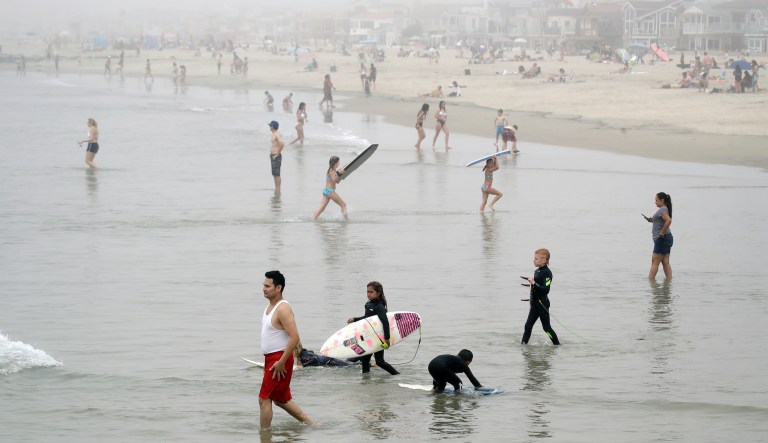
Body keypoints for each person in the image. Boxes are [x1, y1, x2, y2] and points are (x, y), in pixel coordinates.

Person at [259, 270, 316, 429]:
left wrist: (282, 361)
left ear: (278, 288)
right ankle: (313, 425)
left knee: (264, 398)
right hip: (272, 358)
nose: (264, 288)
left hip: (279, 359)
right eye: (263, 285)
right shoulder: (269, 307)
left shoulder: (283, 308)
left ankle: (264, 436)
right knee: (281, 399)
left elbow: (295, 336)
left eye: (267, 286)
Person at [345, 282, 400, 375]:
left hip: (378, 338)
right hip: (369, 336)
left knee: (379, 362)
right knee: (365, 360)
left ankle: (397, 375)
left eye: (371, 292)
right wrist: (355, 319)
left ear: (378, 293)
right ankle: (366, 381)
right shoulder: (369, 304)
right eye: (367, 292)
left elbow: (385, 322)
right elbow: (367, 319)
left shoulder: (379, 306)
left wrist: (387, 339)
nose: (368, 294)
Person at [521, 248, 560, 346]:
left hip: (543, 305)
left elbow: (546, 290)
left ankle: (557, 345)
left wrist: (534, 283)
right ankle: (523, 346)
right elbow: (535, 288)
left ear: (544, 260)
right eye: (534, 258)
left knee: (546, 328)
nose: (533, 260)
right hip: (535, 305)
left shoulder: (547, 273)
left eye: (536, 259)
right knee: (528, 326)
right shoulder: (537, 271)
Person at [645, 192, 673, 279]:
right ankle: (669, 283)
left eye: (656, 200)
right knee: (665, 262)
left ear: (662, 200)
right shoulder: (665, 209)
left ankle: (651, 283)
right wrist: (651, 220)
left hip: (662, 239)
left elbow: (668, 220)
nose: (655, 202)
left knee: (655, 262)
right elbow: (661, 221)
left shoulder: (662, 210)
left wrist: (661, 233)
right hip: (668, 238)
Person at [312, 156, 347, 220]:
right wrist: (338, 173)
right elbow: (334, 180)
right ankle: (346, 220)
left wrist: (340, 175)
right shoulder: (332, 171)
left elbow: (337, 182)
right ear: (335, 163)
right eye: (338, 162)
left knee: (322, 208)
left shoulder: (333, 171)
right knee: (343, 205)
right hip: (330, 191)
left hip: (326, 191)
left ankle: (313, 219)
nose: (339, 163)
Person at [268, 120, 285, 192]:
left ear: (273, 127)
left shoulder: (276, 134)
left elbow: (282, 143)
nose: (269, 127)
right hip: (273, 155)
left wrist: (277, 153)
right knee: (274, 174)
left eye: (270, 126)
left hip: (276, 156)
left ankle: (278, 189)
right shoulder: (274, 133)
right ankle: (276, 188)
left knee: (277, 174)